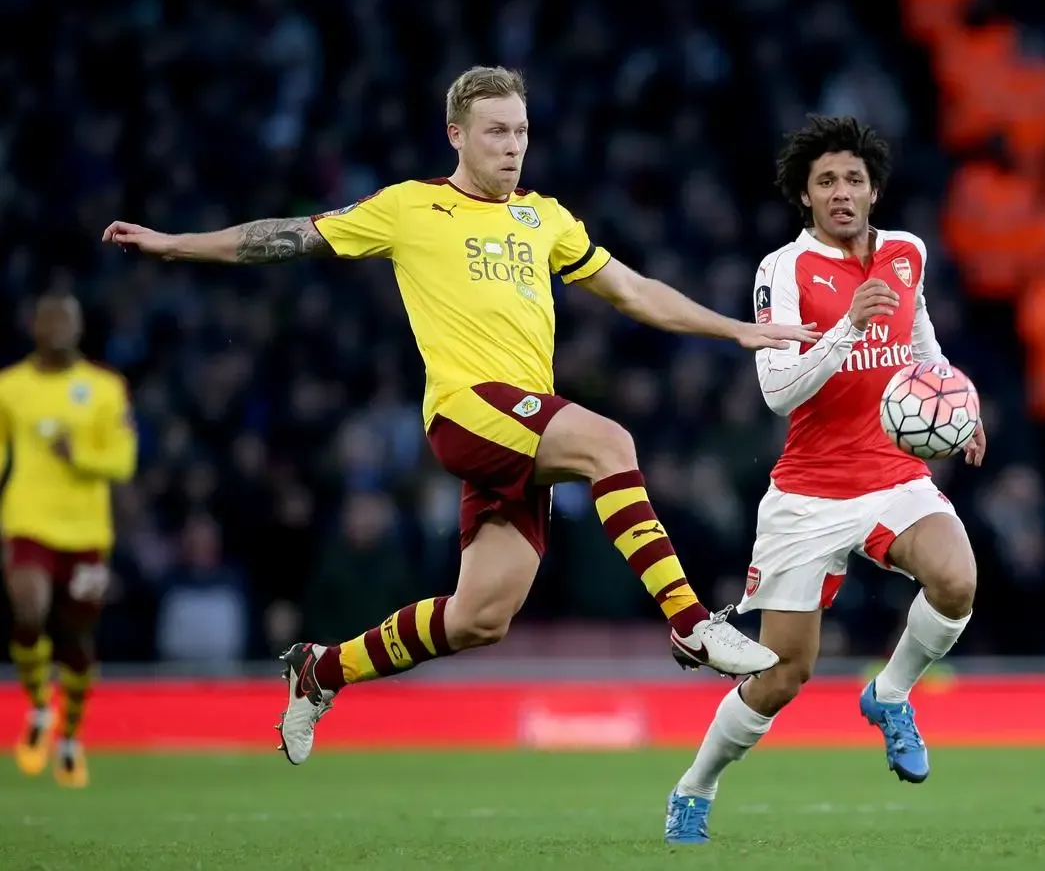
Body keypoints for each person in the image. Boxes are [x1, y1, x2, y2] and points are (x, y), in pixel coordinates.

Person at [101, 65, 820, 765]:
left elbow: (632, 290)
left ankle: (321, 670)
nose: (512, 146)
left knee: (479, 617)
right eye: (497, 132)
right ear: (457, 135)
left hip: (526, 428)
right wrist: (175, 244)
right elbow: (291, 235)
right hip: (467, 411)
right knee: (609, 441)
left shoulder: (545, 218)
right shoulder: (411, 207)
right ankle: (692, 624)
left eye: (522, 132)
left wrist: (734, 329)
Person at [663, 115, 987, 844]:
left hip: (892, 470)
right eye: (826, 182)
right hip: (809, 492)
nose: (842, 193)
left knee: (957, 579)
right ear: (805, 197)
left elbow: (919, 332)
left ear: (874, 190)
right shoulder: (782, 271)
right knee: (784, 673)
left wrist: (951, 400)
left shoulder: (907, 253)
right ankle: (694, 787)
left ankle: (891, 692)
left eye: (854, 180)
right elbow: (777, 390)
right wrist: (845, 327)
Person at [0, 291, 138, 788]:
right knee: (29, 609)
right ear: (33, 326)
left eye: (65, 319)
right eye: (48, 318)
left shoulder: (104, 388)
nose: (56, 327)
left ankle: (70, 737)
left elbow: (122, 462)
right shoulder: (9, 388)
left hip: (86, 531)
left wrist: (76, 452)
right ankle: (39, 706)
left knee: (77, 639)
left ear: (79, 328)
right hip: (28, 520)